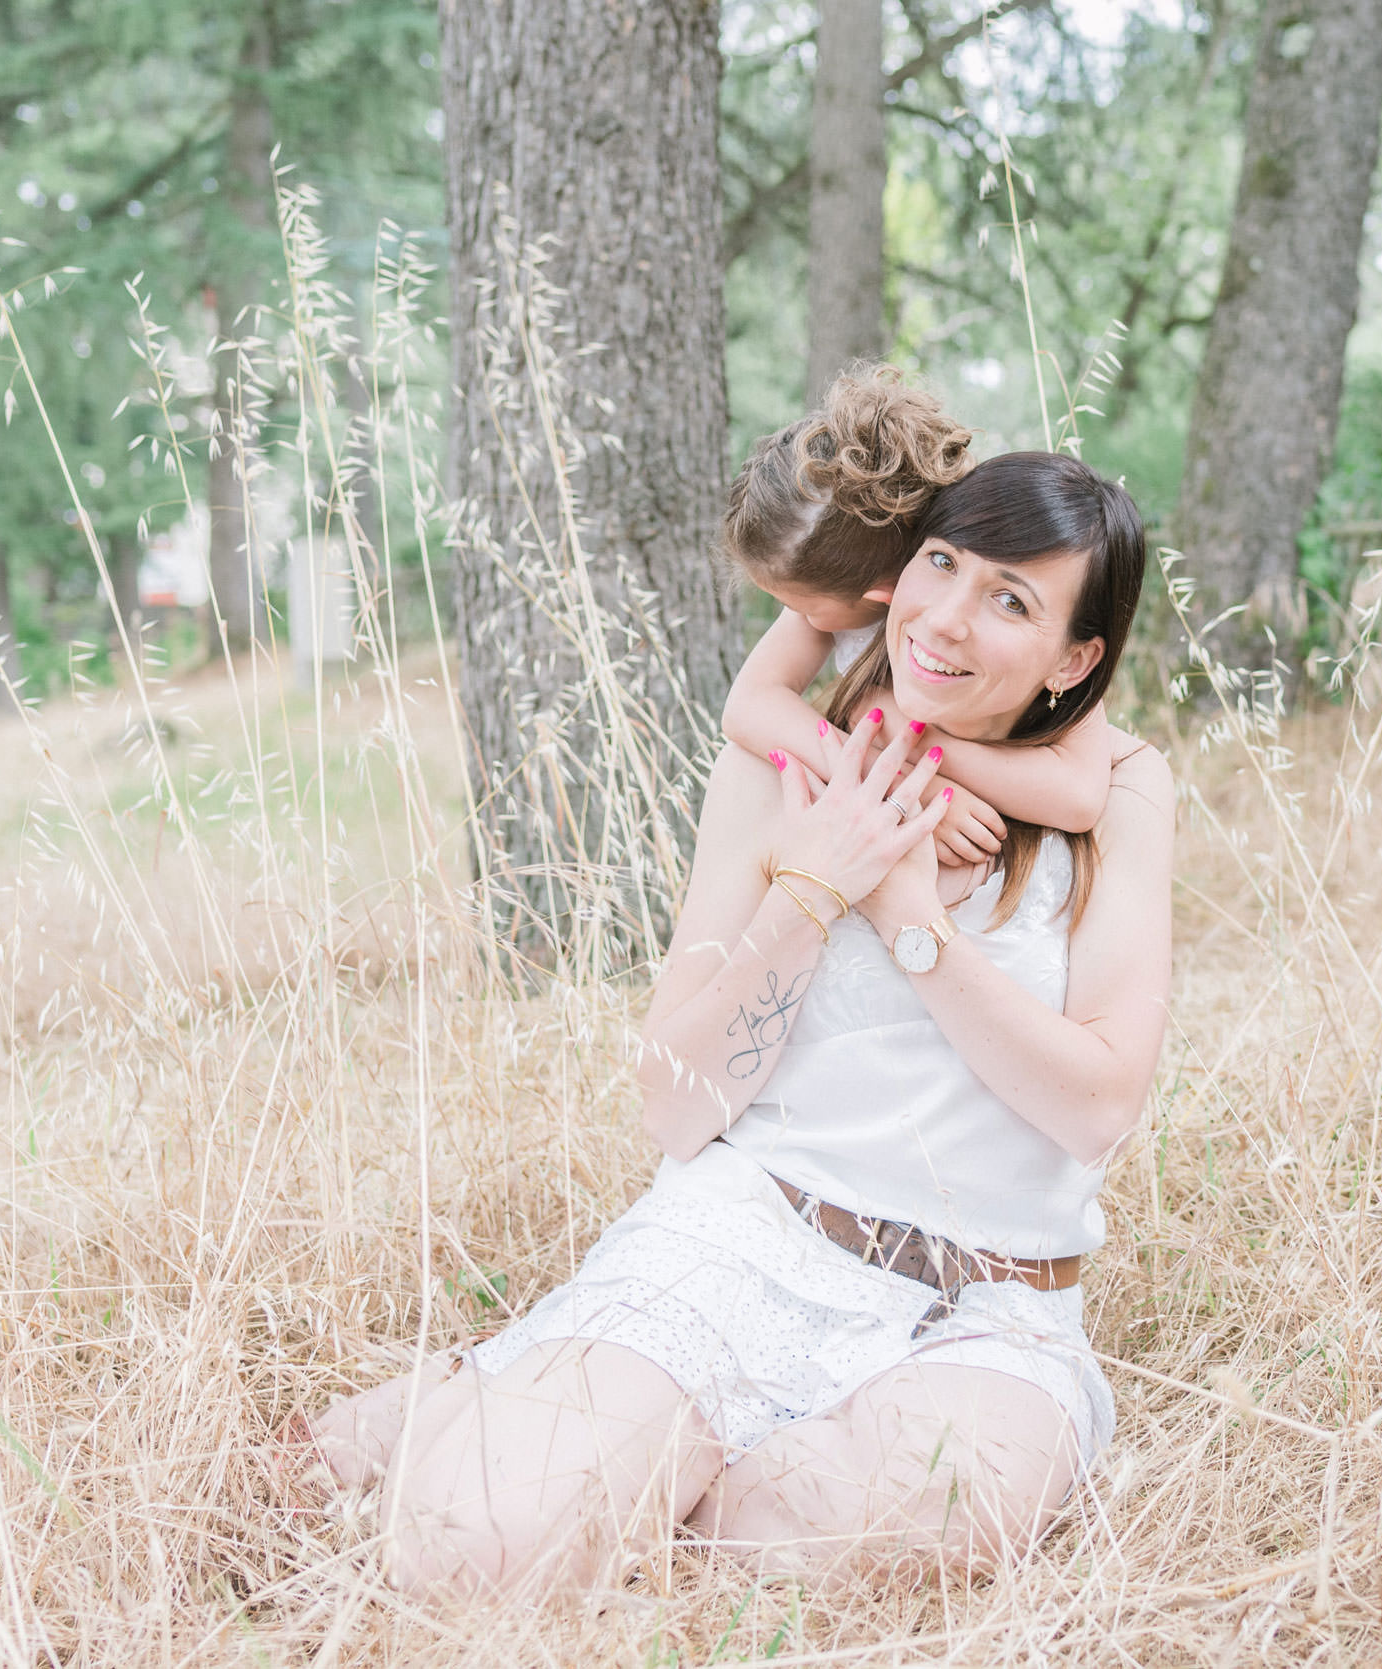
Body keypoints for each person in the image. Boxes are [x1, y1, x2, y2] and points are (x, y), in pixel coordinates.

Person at [301, 450, 1174, 1596]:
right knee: (469, 1551)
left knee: (875, 1528)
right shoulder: (779, 768)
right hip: (749, 1238)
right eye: (941, 564)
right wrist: (812, 890)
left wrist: (905, 909)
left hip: (991, 1308)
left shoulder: (1119, 797)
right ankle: (556, 1421)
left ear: (1076, 658)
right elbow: (676, 1107)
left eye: (1010, 599)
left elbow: (1097, 1107)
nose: (946, 619)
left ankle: (539, 1419)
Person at [719, 365, 1131, 869]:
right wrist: (903, 783)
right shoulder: (840, 570)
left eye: (804, 609)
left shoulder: (944, 579)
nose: (800, 620)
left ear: (884, 590)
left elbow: (1079, 796)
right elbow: (748, 706)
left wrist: (913, 736)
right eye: (942, 564)